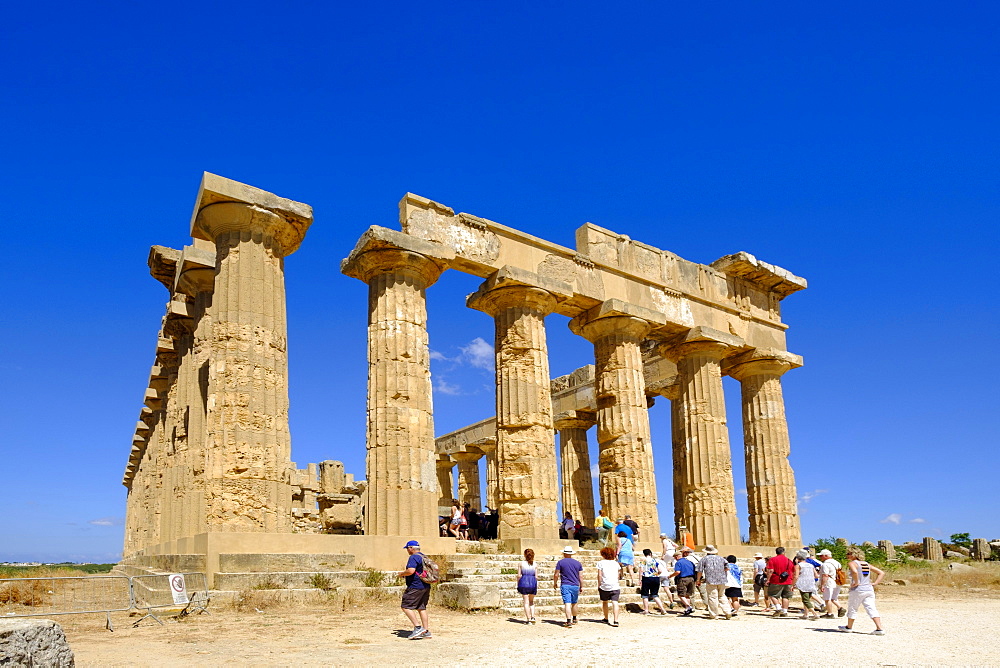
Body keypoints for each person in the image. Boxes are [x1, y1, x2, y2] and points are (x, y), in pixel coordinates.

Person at [839, 547, 886, 635]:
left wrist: (856, 582)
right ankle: (879, 628)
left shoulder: (852, 563)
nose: (847, 555)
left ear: (853, 554)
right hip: (868, 589)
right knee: (871, 607)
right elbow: (881, 573)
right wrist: (875, 583)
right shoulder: (866, 564)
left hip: (858, 589)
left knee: (853, 607)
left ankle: (849, 627)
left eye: (848, 553)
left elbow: (854, 572)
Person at [398, 540, 432, 639]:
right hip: (425, 585)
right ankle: (426, 631)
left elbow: (411, 571)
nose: (407, 551)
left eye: (407, 549)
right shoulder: (424, 556)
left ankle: (418, 628)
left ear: (411, 548)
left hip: (415, 585)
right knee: (421, 607)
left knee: (405, 606)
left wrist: (401, 574)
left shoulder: (413, 557)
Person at [695, 545, 732, 620]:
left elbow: (699, 571)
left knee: (712, 597)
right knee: (722, 596)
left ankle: (714, 614)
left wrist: (698, 580)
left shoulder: (704, 559)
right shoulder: (721, 558)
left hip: (710, 580)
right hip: (721, 580)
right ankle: (728, 611)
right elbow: (727, 568)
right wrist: (719, 572)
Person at [553, 546, 584, 628]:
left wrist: (555, 583)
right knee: (574, 603)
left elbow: (556, 574)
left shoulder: (560, 562)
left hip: (565, 584)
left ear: (564, 553)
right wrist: (582, 586)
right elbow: (581, 576)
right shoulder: (578, 563)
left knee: (567, 603)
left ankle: (568, 621)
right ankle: (574, 618)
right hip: (575, 585)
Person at [764, 546, 795, 617]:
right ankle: (785, 611)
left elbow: (770, 570)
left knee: (773, 595)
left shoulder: (772, 560)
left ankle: (778, 608)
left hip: (776, 580)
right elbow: (792, 571)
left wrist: (768, 579)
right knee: (786, 597)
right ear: (784, 552)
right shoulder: (788, 560)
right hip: (788, 580)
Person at [596, 546, 622, 626]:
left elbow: (600, 575)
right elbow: (618, 575)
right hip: (615, 585)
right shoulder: (616, 563)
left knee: (605, 602)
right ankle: (616, 620)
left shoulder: (600, 563)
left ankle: (606, 618)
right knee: (615, 602)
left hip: (605, 585)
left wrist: (599, 584)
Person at [639, 549, 668, 615]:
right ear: (650, 553)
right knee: (655, 595)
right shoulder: (655, 560)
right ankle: (662, 609)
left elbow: (641, 570)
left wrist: (640, 579)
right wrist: (656, 574)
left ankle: (646, 610)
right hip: (655, 578)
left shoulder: (643, 561)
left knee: (645, 595)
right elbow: (660, 570)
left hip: (646, 578)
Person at [818, 549, 846, 618]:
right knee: (834, 598)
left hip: (829, 582)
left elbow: (825, 575)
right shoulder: (837, 562)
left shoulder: (825, 564)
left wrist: (822, 585)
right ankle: (840, 608)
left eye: (821, 556)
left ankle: (830, 613)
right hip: (837, 581)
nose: (820, 557)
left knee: (827, 599)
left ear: (826, 556)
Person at [670, 546, 697, 616]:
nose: (675, 559)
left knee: (680, 594)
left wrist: (670, 576)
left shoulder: (678, 563)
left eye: (675, 557)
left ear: (678, 556)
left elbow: (677, 572)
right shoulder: (689, 562)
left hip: (683, 579)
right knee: (687, 595)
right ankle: (687, 609)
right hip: (692, 579)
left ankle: (688, 606)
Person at [793, 550, 820, 620]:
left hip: (803, 584)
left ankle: (815, 614)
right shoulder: (811, 565)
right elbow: (816, 575)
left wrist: (792, 584)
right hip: (811, 583)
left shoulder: (798, 565)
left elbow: (796, 576)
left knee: (805, 600)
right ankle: (806, 614)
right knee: (807, 599)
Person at [516, 548, 538, 624]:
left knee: (526, 602)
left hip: (524, 581)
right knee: (531, 601)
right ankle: (533, 616)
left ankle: (528, 619)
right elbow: (536, 576)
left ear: (525, 555)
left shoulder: (521, 564)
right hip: (532, 582)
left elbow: (519, 575)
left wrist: (518, 583)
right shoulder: (535, 564)